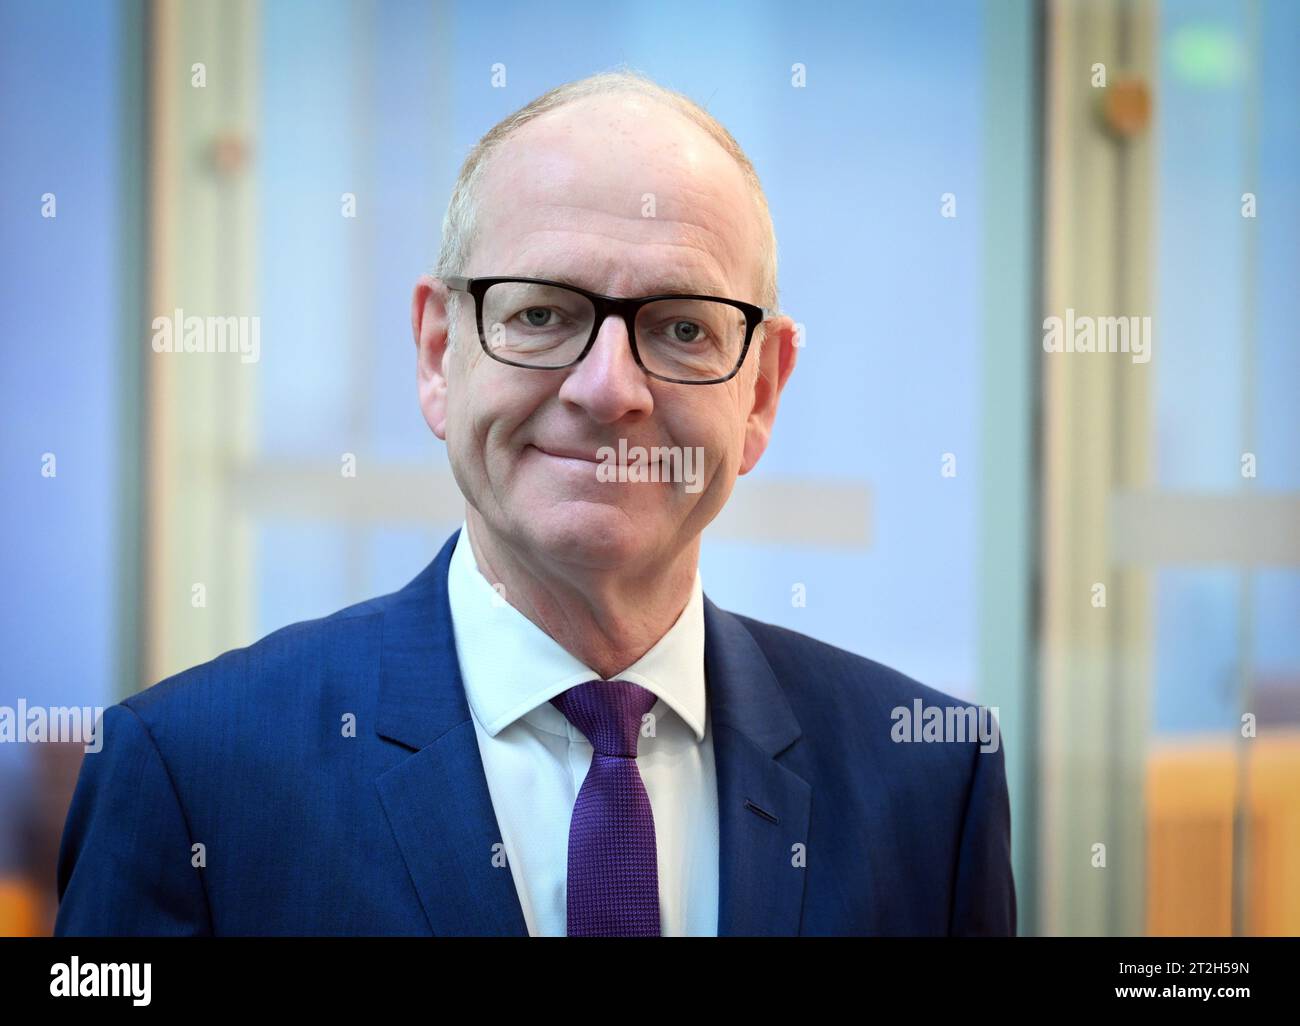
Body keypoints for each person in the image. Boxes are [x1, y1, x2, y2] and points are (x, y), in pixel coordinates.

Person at [54, 69, 1015, 936]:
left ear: (760, 392)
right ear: (439, 353)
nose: (607, 390)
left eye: (681, 327)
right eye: (542, 315)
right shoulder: (194, 778)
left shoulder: (927, 785)